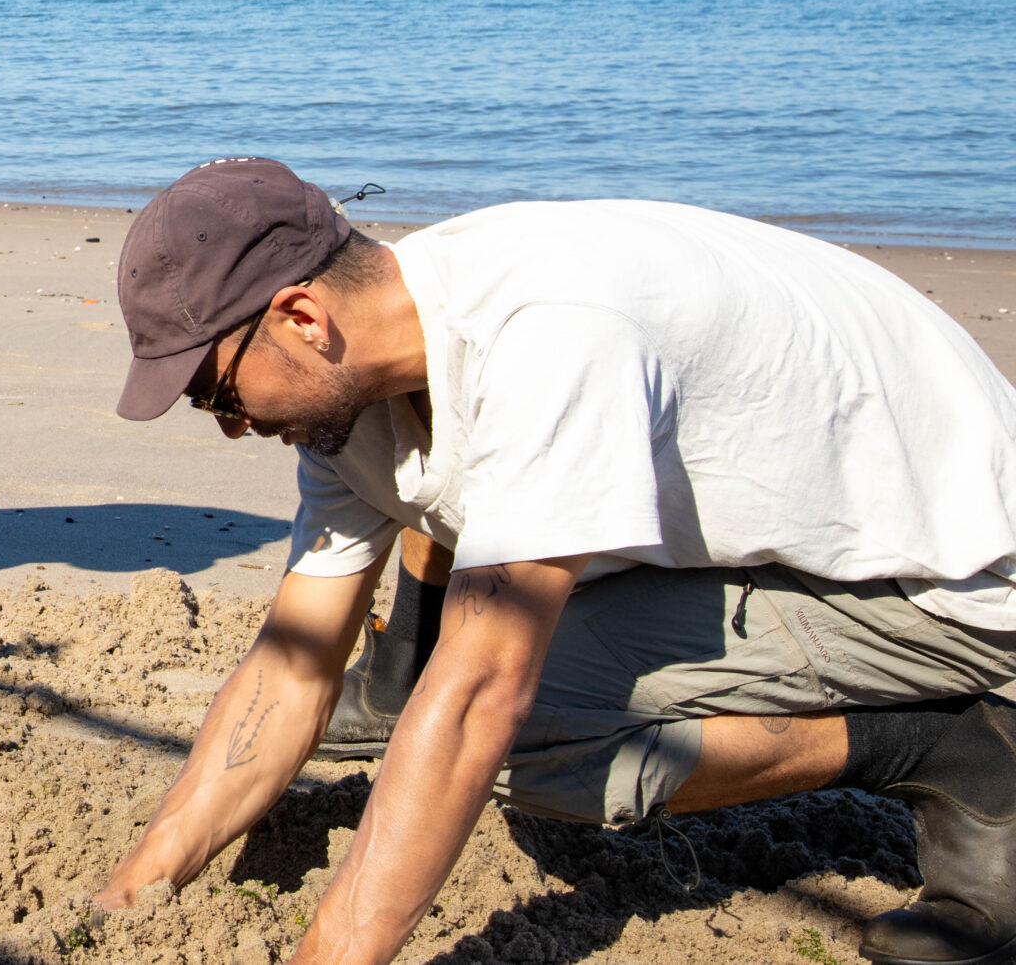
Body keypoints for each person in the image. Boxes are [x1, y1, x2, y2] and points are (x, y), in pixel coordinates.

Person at [94, 157, 1016, 965]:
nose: (230, 424)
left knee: (510, 729)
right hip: (801, 543)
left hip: (956, 579)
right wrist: (137, 887)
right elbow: (292, 667)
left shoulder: (550, 335)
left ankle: (947, 745)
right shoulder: (352, 395)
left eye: (216, 389)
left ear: (301, 315)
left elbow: (479, 696)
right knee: (472, 698)